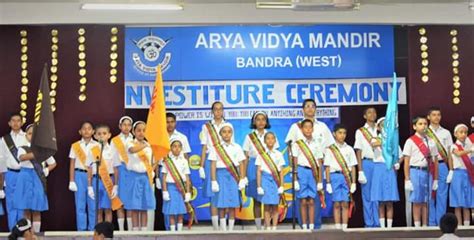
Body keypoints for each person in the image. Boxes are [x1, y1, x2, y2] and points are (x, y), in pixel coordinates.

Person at [285, 99, 334, 229]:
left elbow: (330, 146)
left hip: (317, 166)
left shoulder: (322, 127)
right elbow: (290, 149)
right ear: (303, 109)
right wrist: (293, 171)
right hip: (300, 167)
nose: (310, 109)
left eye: (313, 106)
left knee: (316, 197)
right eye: (307, 106)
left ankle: (315, 226)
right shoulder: (295, 127)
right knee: (301, 198)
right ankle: (303, 226)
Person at [14, 124, 57, 233]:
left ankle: (36, 233)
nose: (32, 136)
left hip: (37, 178)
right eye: (29, 133)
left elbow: (53, 163)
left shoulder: (43, 148)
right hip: (25, 177)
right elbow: (22, 158)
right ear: (26, 135)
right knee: (26, 208)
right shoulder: (22, 148)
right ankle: (27, 233)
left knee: (37, 208)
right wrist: (37, 153)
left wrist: (47, 169)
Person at [199, 101, 234, 230]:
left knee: (225, 194)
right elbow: (204, 147)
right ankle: (216, 228)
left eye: (220, 109)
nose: (218, 112)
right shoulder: (206, 127)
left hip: (226, 163)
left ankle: (225, 227)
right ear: (212, 111)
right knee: (213, 194)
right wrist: (201, 166)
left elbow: (232, 146)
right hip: (211, 161)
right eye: (216, 109)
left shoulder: (228, 125)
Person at [242, 111, 279, 230]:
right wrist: (244, 175)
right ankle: (258, 227)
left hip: (269, 169)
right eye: (258, 119)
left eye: (263, 119)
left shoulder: (271, 134)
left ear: (266, 121)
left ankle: (270, 226)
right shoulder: (249, 137)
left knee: (270, 200)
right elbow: (246, 157)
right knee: (257, 199)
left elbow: (276, 155)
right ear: (254, 121)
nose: (261, 122)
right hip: (254, 168)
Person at [403, 116, 439, 227]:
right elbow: (406, 162)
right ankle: (417, 226)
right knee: (417, 200)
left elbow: (435, 161)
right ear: (414, 126)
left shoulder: (431, 141)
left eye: (425, 123)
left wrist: (436, 179)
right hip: (415, 172)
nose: (423, 126)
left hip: (427, 172)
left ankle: (425, 225)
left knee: (426, 201)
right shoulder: (410, 141)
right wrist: (407, 179)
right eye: (420, 124)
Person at [209, 123, 246, 231]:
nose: (226, 134)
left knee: (232, 204)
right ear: (220, 133)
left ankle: (230, 230)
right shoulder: (216, 148)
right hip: (220, 176)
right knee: (221, 204)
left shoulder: (237, 147)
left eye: (229, 132)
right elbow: (213, 164)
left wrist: (242, 179)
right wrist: (214, 180)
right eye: (224, 132)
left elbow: (241, 163)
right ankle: (223, 230)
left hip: (233, 177)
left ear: (232, 133)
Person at [292, 119, 324, 230]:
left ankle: (311, 224)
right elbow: (295, 161)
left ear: (313, 129)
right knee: (303, 200)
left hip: (313, 172)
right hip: (301, 171)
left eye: (310, 127)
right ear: (301, 129)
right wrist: (295, 178)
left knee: (311, 200)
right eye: (305, 127)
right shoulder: (297, 144)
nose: (308, 129)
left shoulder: (317, 143)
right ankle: (304, 225)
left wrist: (320, 180)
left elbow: (320, 163)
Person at [324, 124, 357, 230]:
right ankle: (338, 227)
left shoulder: (350, 149)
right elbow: (327, 167)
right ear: (334, 134)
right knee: (337, 203)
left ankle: (345, 227)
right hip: (334, 176)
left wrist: (354, 182)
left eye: (344, 133)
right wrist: (328, 182)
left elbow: (353, 167)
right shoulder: (330, 149)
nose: (342, 135)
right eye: (340, 133)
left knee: (345, 203)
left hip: (346, 177)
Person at [370, 117, 401, 228]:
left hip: (389, 168)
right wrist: (387, 140)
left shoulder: (393, 140)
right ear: (378, 127)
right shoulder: (375, 138)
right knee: (381, 200)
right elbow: (375, 144)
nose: (385, 127)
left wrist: (396, 161)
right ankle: (382, 226)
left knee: (389, 200)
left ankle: (389, 226)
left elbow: (399, 154)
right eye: (383, 125)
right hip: (379, 168)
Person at [68, 121, 100, 231]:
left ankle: (93, 230)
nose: (86, 130)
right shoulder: (75, 145)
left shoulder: (97, 145)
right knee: (80, 205)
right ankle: (81, 231)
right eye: (84, 128)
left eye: (89, 128)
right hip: (79, 175)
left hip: (93, 177)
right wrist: (71, 180)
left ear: (93, 131)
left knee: (93, 205)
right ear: (80, 131)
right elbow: (72, 163)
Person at [0, 112, 28, 230]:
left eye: (18, 120)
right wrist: (2, 184)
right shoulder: (4, 140)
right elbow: (1, 159)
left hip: (24, 173)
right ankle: (13, 231)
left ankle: (22, 231)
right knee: (10, 204)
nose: (16, 123)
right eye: (13, 121)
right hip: (9, 173)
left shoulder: (27, 137)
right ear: (9, 123)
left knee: (22, 203)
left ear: (21, 122)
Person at [126, 121, 156, 231]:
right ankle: (134, 232)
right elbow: (132, 150)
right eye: (138, 130)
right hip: (134, 177)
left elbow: (154, 161)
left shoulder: (149, 146)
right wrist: (144, 145)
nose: (141, 133)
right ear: (133, 131)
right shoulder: (130, 143)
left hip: (146, 178)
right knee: (135, 207)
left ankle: (144, 231)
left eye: (144, 130)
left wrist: (152, 171)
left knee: (144, 206)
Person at [426, 107, 453, 226]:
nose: (436, 117)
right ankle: (431, 223)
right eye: (434, 115)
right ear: (428, 117)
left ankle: (441, 223)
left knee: (442, 195)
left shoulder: (446, 132)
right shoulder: (424, 131)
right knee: (430, 195)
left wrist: (451, 169)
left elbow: (449, 152)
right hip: (429, 166)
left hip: (442, 166)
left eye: (438, 115)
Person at [354, 107, 380, 228]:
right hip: (367, 163)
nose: (372, 114)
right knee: (367, 195)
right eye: (369, 112)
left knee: (379, 194)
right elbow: (358, 151)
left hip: (380, 163)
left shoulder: (382, 129)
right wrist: (360, 171)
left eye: (374, 112)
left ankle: (379, 222)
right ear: (365, 116)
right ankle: (369, 223)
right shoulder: (360, 131)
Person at [87, 124, 117, 224]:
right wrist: (89, 186)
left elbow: (115, 168)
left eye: (104, 133)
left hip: (109, 180)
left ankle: (107, 233)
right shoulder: (93, 150)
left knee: (108, 209)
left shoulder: (113, 150)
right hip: (96, 180)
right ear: (95, 136)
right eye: (99, 134)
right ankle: (99, 234)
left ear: (109, 135)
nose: (101, 136)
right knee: (98, 210)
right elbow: (89, 168)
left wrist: (116, 185)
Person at [255, 131, 285, 230]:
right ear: (264, 141)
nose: (270, 140)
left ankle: (274, 226)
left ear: (275, 140)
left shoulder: (279, 154)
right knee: (267, 205)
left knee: (275, 205)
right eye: (268, 138)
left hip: (276, 181)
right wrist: (259, 186)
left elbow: (281, 171)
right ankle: (268, 227)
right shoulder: (261, 155)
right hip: (265, 180)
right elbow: (258, 171)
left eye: (272, 138)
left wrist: (281, 185)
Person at [161, 139, 192, 231]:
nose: (177, 148)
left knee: (180, 211)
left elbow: (187, 178)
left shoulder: (184, 161)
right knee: (171, 211)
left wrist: (187, 192)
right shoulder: (167, 161)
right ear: (170, 148)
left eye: (179, 146)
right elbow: (164, 177)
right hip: (170, 188)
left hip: (181, 189)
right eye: (174, 146)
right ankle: (172, 232)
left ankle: (179, 231)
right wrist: (165, 191)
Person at [111, 116, 134, 231]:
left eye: (129, 125)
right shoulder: (115, 140)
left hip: (131, 171)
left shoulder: (135, 140)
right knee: (119, 201)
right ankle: (121, 230)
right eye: (124, 124)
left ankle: (130, 230)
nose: (126, 127)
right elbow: (113, 159)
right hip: (119, 170)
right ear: (120, 126)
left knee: (129, 201)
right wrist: (115, 181)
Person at [448, 124, 473, 226]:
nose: (463, 134)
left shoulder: (469, 146)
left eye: (465, 132)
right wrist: (470, 150)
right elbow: (458, 154)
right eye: (461, 132)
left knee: (467, 201)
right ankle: (458, 226)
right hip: (458, 175)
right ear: (455, 134)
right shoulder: (453, 146)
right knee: (458, 202)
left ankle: (467, 226)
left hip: (468, 174)